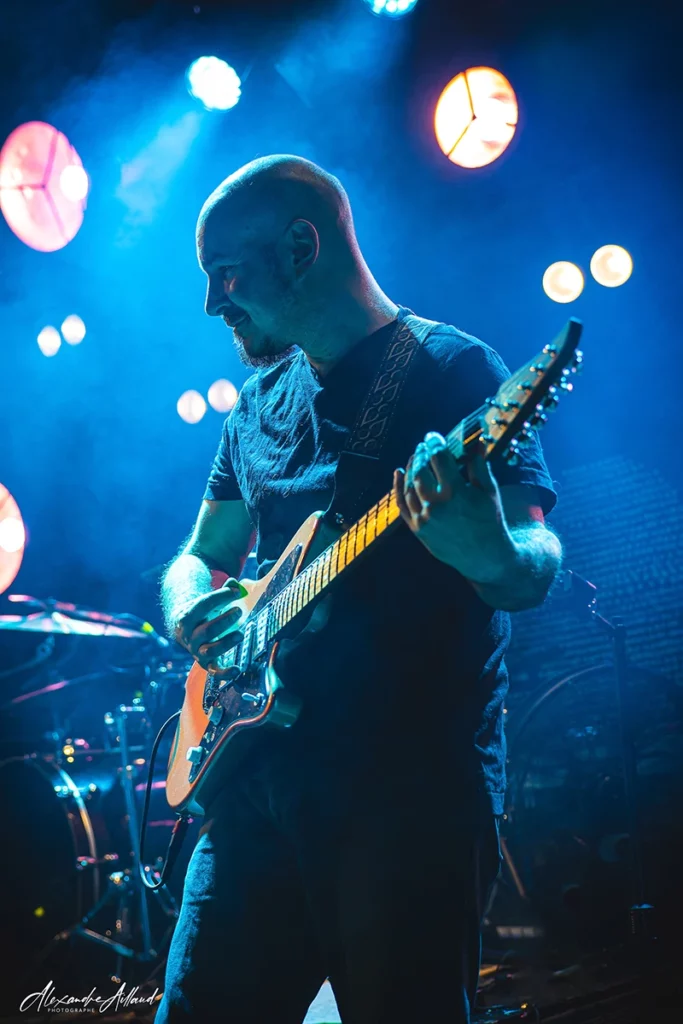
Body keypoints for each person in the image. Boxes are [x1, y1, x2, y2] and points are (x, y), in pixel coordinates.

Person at [156, 155, 561, 1024]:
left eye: (225, 273)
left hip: (405, 797)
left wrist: (485, 551)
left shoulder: (450, 371)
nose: (211, 301)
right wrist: (191, 606)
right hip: (256, 783)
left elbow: (529, 562)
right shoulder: (255, 404)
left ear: (302, 247)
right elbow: (201, 553)